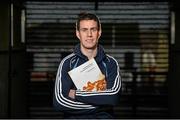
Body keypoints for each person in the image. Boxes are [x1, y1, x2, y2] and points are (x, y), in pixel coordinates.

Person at [53, 12, 121, 119]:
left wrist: (75, 94)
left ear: (99, 32)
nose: (89, 34)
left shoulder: (111, 63)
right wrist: (102, 103)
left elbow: (113, 98)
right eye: (84, 30)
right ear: (78, 34)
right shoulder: (67, 63)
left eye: (93, 29)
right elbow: (59, 102)